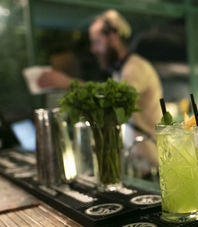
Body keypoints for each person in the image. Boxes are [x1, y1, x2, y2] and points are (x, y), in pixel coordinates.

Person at [38, 10, 162, 170]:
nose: (93, 49)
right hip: (139, 159)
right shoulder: (121, 69)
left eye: (96, 41)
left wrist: (68, 83)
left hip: (152, 162)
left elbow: (113, 98)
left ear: (113, 37)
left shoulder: (134, 68)